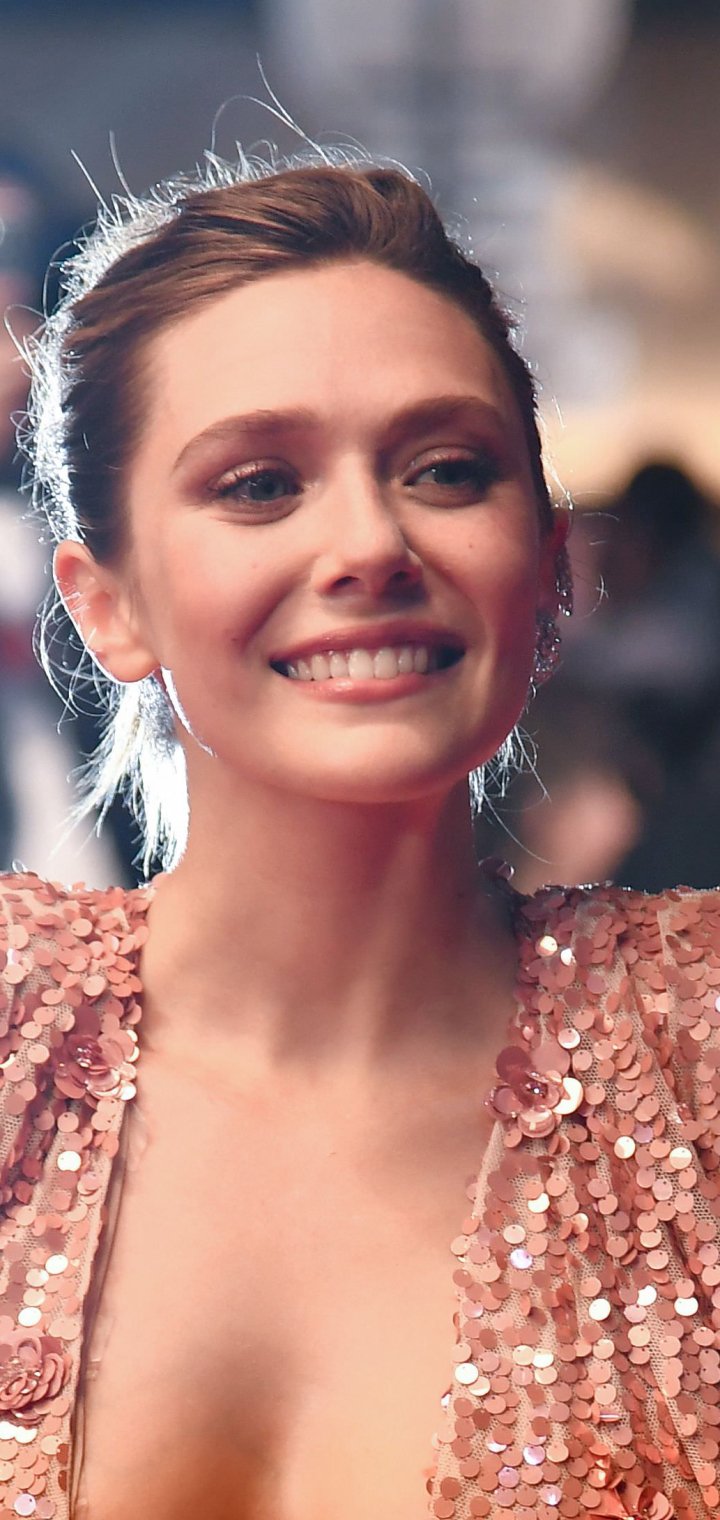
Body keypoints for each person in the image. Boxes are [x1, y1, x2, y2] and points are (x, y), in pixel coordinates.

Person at [0, 145, 714, 1520]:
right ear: (106, 602)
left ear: (552, 576)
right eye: (260, 484)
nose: (372, 542)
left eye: (447, 470)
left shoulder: (701, 1050)